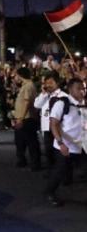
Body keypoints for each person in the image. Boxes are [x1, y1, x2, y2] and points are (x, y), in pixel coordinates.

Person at [45, 78, 85, 206]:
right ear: (70, 89)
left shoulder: (84, 104)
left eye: (83, 88)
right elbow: (54, 124)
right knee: (59, 172)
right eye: (78, 88)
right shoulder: (62, 103)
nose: (82, 91)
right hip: (65, 146)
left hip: (81, 145)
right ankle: (50, 192)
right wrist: (61, 143)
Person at [34, 71, 67, 172]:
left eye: (51, 82)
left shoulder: (62, 95)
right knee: (48, 151)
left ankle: (64, 173)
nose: (48, 85)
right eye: (46, 83)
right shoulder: (45, 95)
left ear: (57, 82)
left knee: (59, 151)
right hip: (46, 127)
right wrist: (44, 94)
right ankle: (51, 171)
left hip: (59, 127)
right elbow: (37, 105)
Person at [13, 67, 42, 171]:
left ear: (20, 75)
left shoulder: (28, 86)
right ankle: (22, 160)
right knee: (20, 141)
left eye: (16, 75)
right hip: (22, 117)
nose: (15, 77)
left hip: (27, 118)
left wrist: (21, 117)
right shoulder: (25, 86)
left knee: (31, 141)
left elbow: (27, 102)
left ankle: (35, 163)